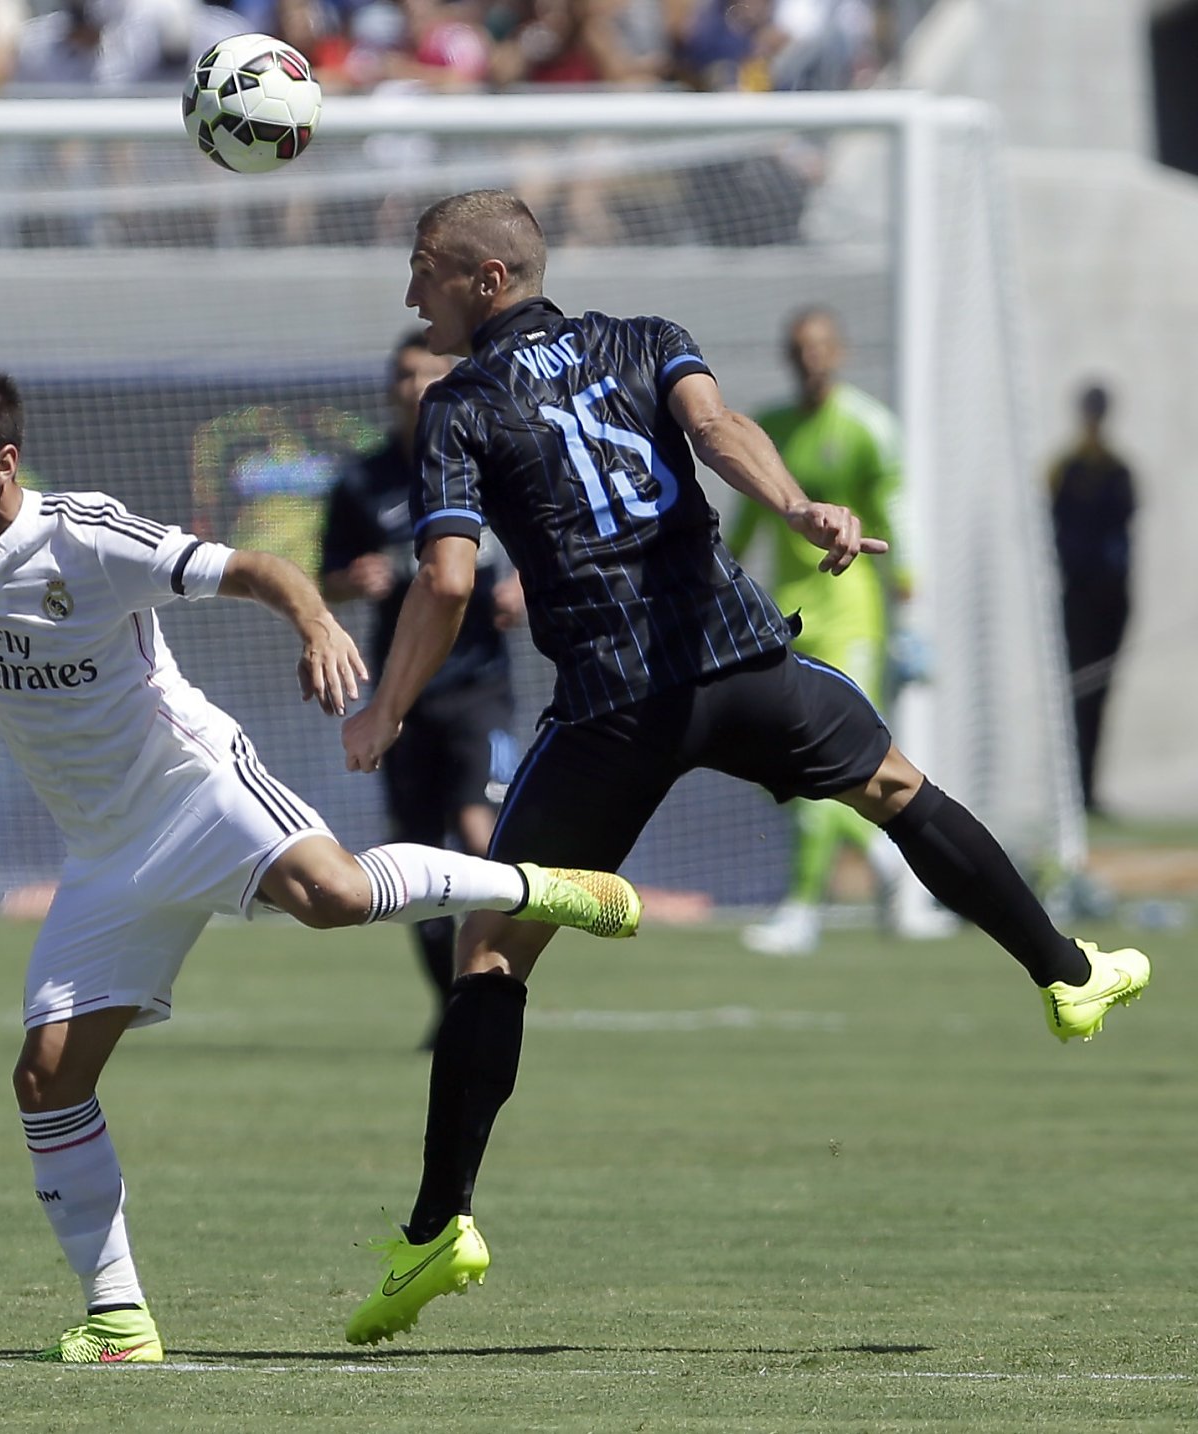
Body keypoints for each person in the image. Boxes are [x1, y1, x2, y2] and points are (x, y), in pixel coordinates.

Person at [337, 190, 1153, 1346]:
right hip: (736, 658)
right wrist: (799, 507)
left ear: (483, 278)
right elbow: (718, 435)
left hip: (616, 703)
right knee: (897, 791)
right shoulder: (646, 337)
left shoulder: (460, 404)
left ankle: (436, 1229)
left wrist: (385, 706)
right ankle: (1065, 973)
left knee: (491, 949)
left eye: (422, 268)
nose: (408, 294)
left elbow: (451, 579)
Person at [0, 356, 641, 1365]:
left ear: (2, 461)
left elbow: (253, 568)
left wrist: (314, 622)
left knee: (334, 895)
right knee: (45, 1077)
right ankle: (117, 1315)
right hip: (104, 851)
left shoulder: (83, 533)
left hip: (194, 786)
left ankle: (538, 887)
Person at [321, 331, 521, 1033]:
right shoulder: (360, 482)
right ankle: (451, 1003)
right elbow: (327, 580)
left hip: (479, 687)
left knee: (477, 828)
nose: (416, 388)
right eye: (404, 375)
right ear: (390, 387)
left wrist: (526, 586)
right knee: (413, 849)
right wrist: (350, 582)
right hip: (402, 696)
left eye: (430, 374)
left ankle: (495, 978)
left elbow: (542, 544)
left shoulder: (492, 466)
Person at [731, 306, 906, 956]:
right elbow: (742, 526)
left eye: (820, 346)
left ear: (840, 351)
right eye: (799, 347)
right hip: (788, 614)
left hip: (852, 614)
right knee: (788, 762)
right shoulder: (770, 431)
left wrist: (910, 612)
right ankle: (892, 857)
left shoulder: (867, 426)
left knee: (830, 755)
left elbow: (895, 516)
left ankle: (802, 909)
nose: (811, 358)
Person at [1048, 383, 1138, 814]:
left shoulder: (1118, 470)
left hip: (1110, 598)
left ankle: (1089, 786)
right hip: (1077, 596)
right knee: (1078, 689)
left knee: (1100, 690)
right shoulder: (1065, 468)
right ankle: (1073, 787)